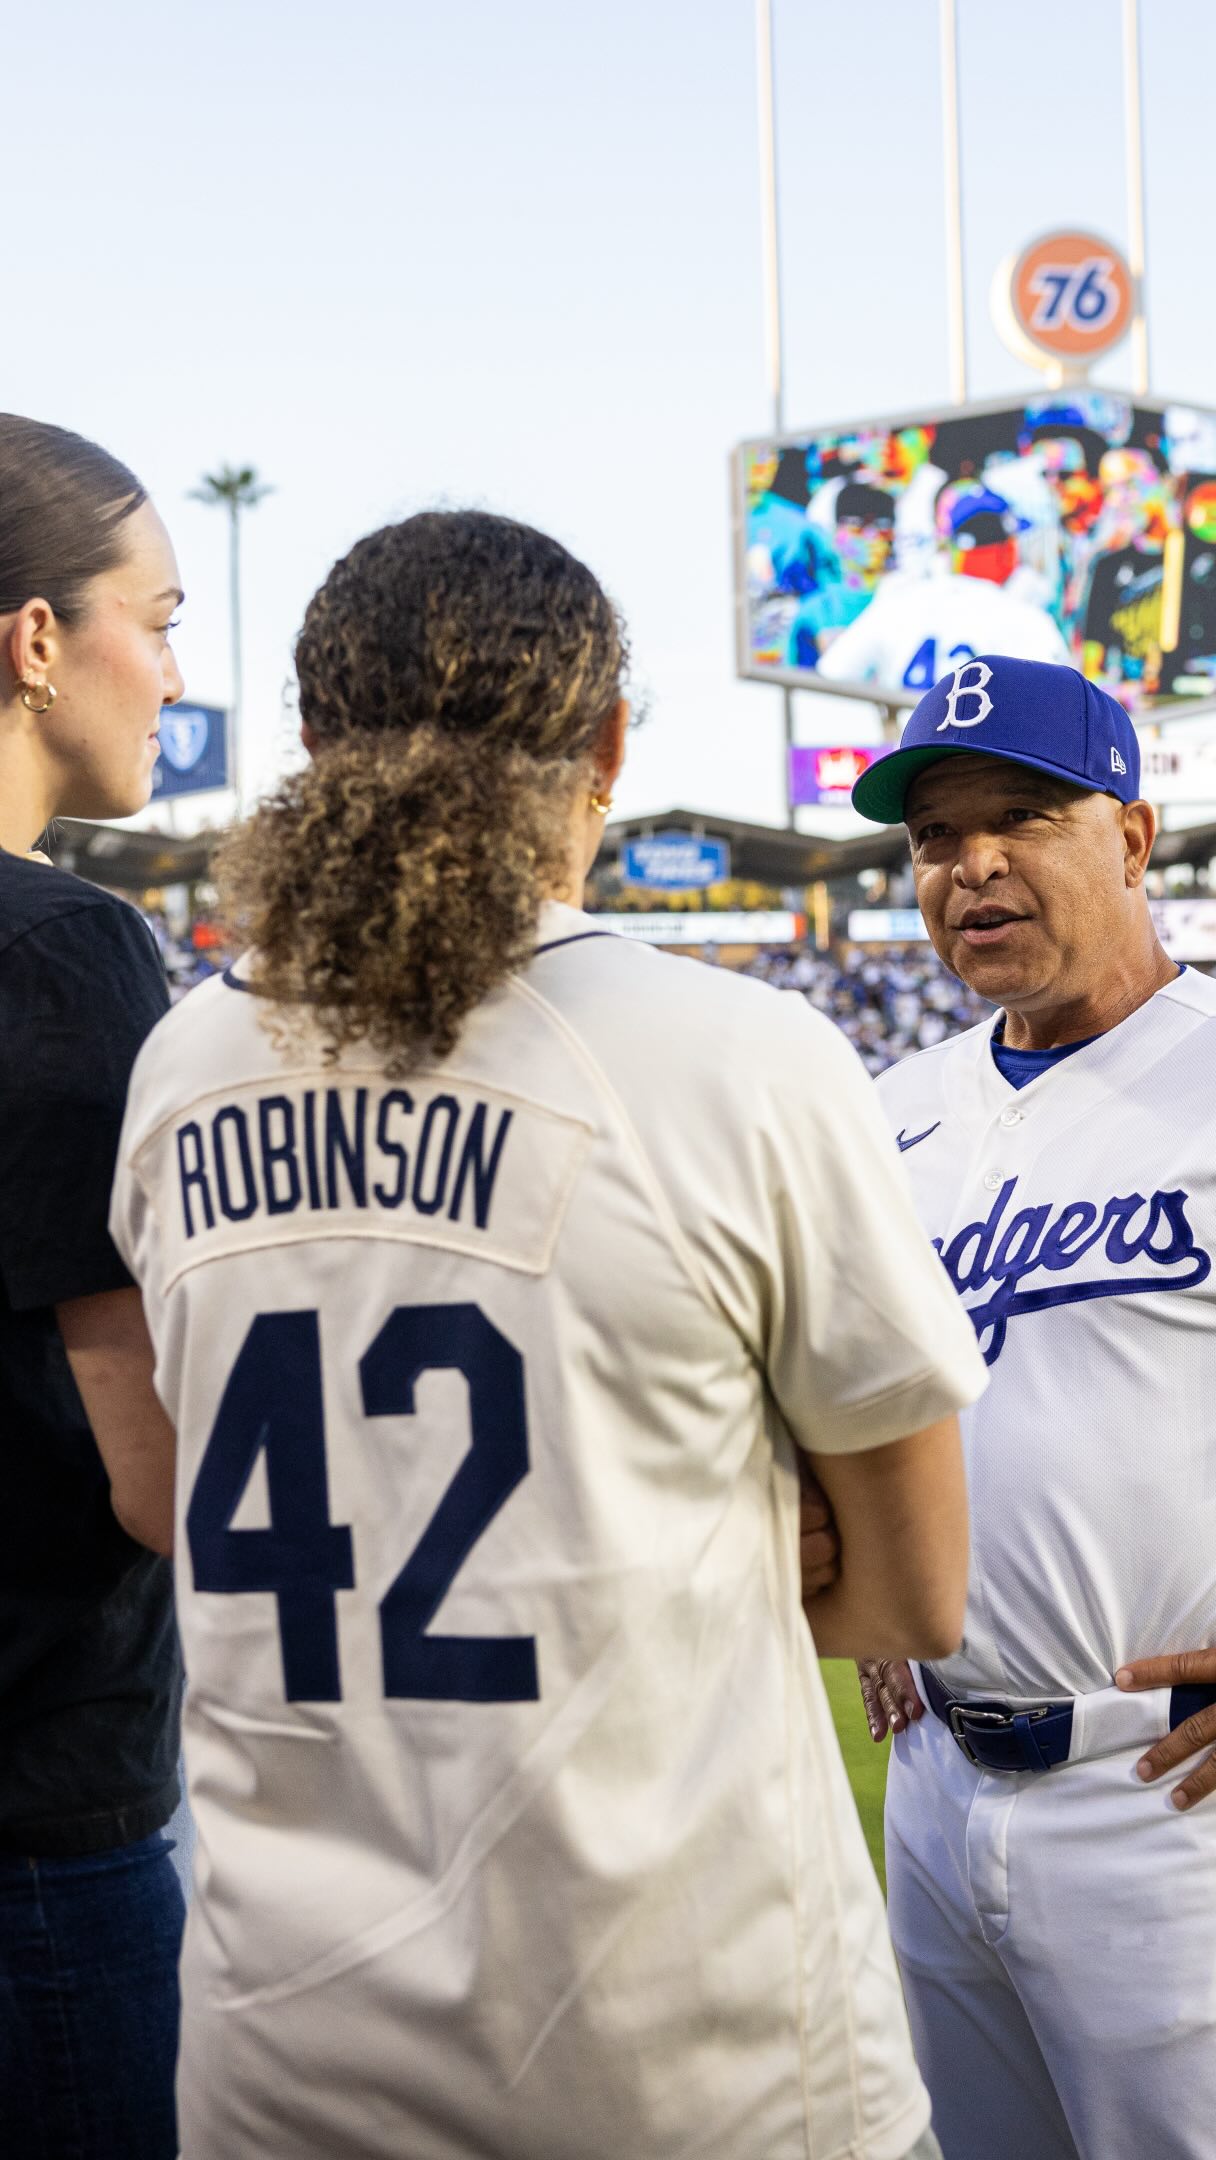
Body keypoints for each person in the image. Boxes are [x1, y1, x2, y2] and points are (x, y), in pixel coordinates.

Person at [112, 509, 986, 2160]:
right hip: (685, 2050)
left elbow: (176, 1499)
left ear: (310, 748)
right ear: (607, 746)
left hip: (281, 2044)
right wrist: (688, 1523)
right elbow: (914, 1593)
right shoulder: (740, 1054)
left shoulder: (183, 1069)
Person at [849, 653, 1216, 2160]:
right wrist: (875, 1590)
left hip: (1166, 1798)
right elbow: (862, 1398)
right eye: (936, 836)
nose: (971, 867)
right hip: (934, 1781)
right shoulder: (888, 1111)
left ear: (1132, 837)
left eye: (1023, 815)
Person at [0, 415, 188, 2156]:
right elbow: (158, 1475)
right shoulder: (67, 946)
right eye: (160, 615)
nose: (171, 668)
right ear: (36, 640)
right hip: (39, 1805)